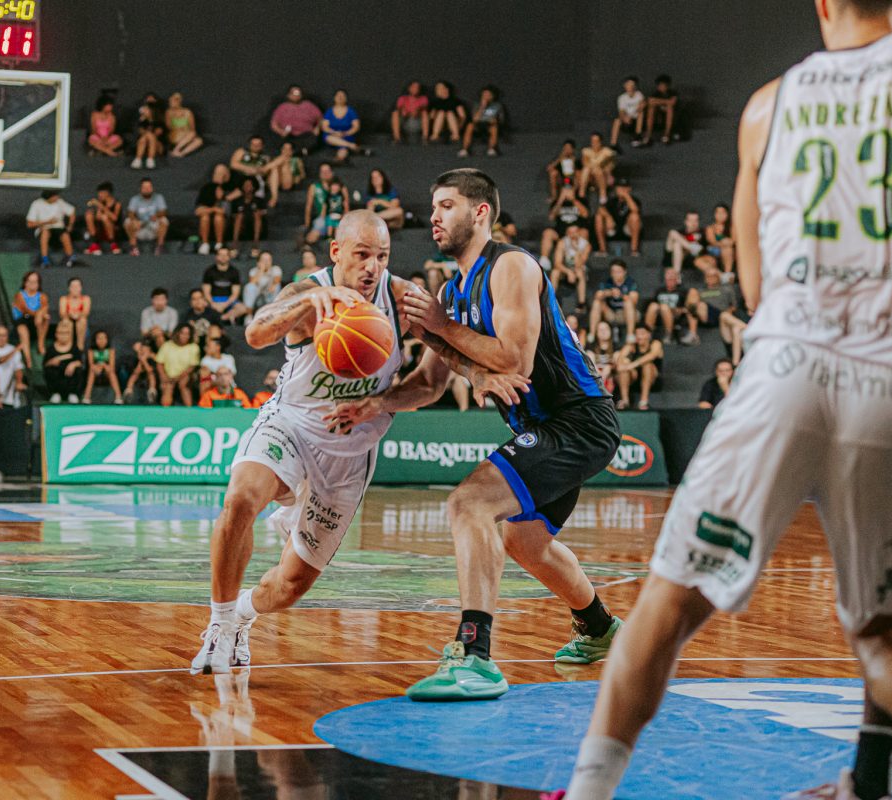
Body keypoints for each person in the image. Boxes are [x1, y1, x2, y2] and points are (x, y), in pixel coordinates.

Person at [566, 5, 892, 799]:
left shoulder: (767, 107)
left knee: (668, 605)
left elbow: (756, 283)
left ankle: (591, 789)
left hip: (787, 367)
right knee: (891, 629)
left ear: (822, 4)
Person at [331, 170, 623, 700]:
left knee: (469, 503)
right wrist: (374, 403)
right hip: (543, 426)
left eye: (446, 205)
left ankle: (475, 657)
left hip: (578, 419)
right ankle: (601, 629)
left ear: (480, 212)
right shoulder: (451, 292)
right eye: (433, 207)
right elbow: (428, 385)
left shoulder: (511, 266)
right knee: (524, 542)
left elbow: (515, 361)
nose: (434, 217)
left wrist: (440, 326)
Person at [190, 209, 415, 676]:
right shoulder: (306, 291)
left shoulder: (400, 299)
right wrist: (313, 299)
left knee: (290, 587)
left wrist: (385, 400)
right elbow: (255, 332)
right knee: (241, 498)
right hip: (290, 424)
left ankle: (243, 615)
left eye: (381, 256)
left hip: (349, 452)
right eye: (362, 255)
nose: (372, 267)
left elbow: (436, 374)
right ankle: (220, 623)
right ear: (336, 252)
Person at [229, 136, 290, 210]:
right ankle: (226, 199)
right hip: (240, 176)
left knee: (274, 168)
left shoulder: (266, 157)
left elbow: (265, 171)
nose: (255, 146)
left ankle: (274, 197)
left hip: (258, 178)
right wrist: (249, 169)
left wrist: (260, 170)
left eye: (258, 144)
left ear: (262, 146)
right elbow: (233, 164)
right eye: (253, 144)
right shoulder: (242, 151)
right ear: (249, 144)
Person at [588, 259, 640, 344]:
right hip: (611, 313)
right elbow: (597, 295)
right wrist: (608, 293)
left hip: (626, 314)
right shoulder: (607, 282)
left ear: (624, 272)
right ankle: (592, 334)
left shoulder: (630, 282)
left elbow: (634, 300)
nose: (616, 274)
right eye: (613, 272)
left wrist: (621, 295)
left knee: (628, 302)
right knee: (597, 302)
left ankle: (630, 334)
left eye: (618, 271)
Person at [644, 267, 700, 345]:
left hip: (675, 314)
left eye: (671, 279)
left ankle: (669, 334)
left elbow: (688, 308)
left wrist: (680, 310)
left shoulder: (682, 291)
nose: (669, 281)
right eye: (667, 279)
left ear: (677, 279)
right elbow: (654, 303)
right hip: (660, 314)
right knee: (653, 306)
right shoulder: (659, 290)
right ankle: (647, 333)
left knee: (664, 307)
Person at [612, 325, 663, 410]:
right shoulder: (630, 346)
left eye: (642, 334)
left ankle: (644, 401)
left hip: (652, 379)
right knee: (624, 370)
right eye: (637, 334)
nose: (639, 336)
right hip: (633, 379)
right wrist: (626, 364)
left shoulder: (655, 344)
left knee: (647, 365)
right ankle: (625, 401)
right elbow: (619, 365)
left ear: (649, 335)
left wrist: (632, 365)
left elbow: (652, 355)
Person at [541, 186, 590, 270]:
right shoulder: (557, 202)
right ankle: (544, 260)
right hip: (560, 232)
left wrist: (573, 200)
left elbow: (585, 214)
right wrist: (560, 200)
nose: (567, 192)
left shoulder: (581, 200)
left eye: (569, 190)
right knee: (547, 232)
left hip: (576, 232)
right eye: (565, 190)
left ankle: (581, 262)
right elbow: (551, 217)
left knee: (584, 232)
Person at [195, 164, 239, 255]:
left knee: (218, 217)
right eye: (216, 173)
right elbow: (198, 211)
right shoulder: (207, 189)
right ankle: (205, 244)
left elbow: (224, 211)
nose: (218, 176)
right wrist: (213, 209)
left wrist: (223, 199)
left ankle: (219, 244)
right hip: (208, 219)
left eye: (221, 174)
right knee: (205, 217)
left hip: (227, 222)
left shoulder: (231, 189)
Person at [25, 190, 75, 268]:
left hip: (59, 229)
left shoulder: (60, 202)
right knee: (45, 233)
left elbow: (72, 212)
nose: (57, 198)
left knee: (65, 234)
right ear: (49, 198)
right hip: (44, 228)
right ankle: (45, 260)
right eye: (55, 197)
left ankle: (71, 259)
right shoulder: (37, 204)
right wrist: (47, 222)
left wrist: (70, 225)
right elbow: (29, 224)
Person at [155, 324, 200, 407]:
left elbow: (192, 367)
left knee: (184, 384)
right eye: (182, 333)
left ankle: (189, 411)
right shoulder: (167, 345)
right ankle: (165, 411)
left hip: (185, 375)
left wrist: (178, 377)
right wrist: (163, 376)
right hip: (168, 376)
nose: (185, 336)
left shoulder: (194, 347)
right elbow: (159, 363)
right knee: (167, 386)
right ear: (177, 333)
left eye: (187, 334)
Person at [594, 179, 643, 256]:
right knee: (598, 217)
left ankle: (634, 250)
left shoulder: (635, 200)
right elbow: (600, 209)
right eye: (619, 187)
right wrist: (608, 217)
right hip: (613, 228)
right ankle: (603, 250)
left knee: (635, 216)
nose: (621, 190)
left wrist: (626, 196)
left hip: (627, 230)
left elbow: (635, 210)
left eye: (624, 187)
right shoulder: (612, 200)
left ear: (629, 189)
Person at [11, 271, 49, 369]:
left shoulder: (42, 296)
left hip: (36, 322)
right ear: (25, 282)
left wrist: (41, 314)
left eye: (35, 282)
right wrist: (39, 313)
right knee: (23, 331)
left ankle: (40, 344)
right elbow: (25, 310)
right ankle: (28, 360)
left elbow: (45, 309)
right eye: (30, 281)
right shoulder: (19, 295)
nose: (32, 284)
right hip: (22, 320)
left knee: (46, 318)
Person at [270, 85, 323, 156]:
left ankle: (300, 152)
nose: (296, 96)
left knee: (312, 141)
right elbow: (274, 123)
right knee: (285, 144)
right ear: (288, 95)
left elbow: (321, 119)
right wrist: (281, 131)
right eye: (293, 93)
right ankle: (296, 152)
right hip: (289, 136)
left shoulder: (309, 105)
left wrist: (317, 128)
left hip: (307, 135)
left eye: (298, 93)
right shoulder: (282, 107)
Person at [124, 178, 169, 256]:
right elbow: (130, 213)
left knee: (164, 220)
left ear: (152, 188)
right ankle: (133, 247)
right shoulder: (135, 199)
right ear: (140, 189)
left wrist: (157, 215)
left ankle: (160, 247)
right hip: (140, 227)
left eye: (149, 187)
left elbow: (164, 211)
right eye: (144, 187)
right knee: (127, 221)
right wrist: (135, 220)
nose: (147, 189)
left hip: (153, 226)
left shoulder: (158, 197)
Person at [43, 320, 84, 404]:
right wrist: (52, 362)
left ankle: (73, 394)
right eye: (61, 333)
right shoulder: (51, 348)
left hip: (70, 378)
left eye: (66, 333)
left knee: (78, 370)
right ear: (56, 334)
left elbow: (80, 362)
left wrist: (73, 364)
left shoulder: (74, 347)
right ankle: (55, 393)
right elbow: (45, 364)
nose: (63, 336)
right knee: (50, 370)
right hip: (57, 377)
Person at [551, 223, 590, 310]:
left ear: (579, 232)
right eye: (570, 232)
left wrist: (576, 250)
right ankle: (550, 301)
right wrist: (568, 272)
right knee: (555, 272)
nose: (573, 235)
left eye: (575, 232)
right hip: (565, 269)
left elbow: (579, 264)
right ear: (567, 233)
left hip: (579, 269)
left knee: (580, 272)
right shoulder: (562, 243)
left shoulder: (586, 245)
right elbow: (557, 263)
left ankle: (582, 303)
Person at [0, 324, 26, 409]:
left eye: (4, 335)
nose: (1, 338)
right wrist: (15, 350)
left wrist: (19, 382)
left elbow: (18, 369)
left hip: (8, 397)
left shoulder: (13, 350)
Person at [458, 85, 504, 157]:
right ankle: (464, 149)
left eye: (488, 95)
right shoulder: (477, 105)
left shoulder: (497, 106)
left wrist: (496, 120)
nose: (486, 97)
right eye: (484, 95)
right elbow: (474, 119)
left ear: (492, 96)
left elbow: (501, 120)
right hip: (478, 125)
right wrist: (482, 107)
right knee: (470, 126)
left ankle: (491, 149)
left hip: (490, 125)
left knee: (494, 128)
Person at [202, 249, 245, 324]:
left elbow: (235, 294)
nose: (223, 257)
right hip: (213, 299)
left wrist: (224, 305)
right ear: (216, 256)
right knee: (200, 304)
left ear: (229, 257)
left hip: (228, 300)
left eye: (225, 255)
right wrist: (213, 303)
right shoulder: (209, 271)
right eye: (221, 255)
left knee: (242, 308)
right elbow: (206, 292)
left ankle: (221, 318)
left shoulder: (234, 272)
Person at [322, 89, 365, 163]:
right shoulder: (329, 111)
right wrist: (334, 132)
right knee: (328, 137)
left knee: (343, 149)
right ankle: (351, 145)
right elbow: (324, 127)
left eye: (342, 96)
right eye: (338, 96)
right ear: (334, 98)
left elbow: (356, 127)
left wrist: (345, 133)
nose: (340, 97)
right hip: (332, 136)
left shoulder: (351, 111)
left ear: (346, 98)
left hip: (347, 135)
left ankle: (339, 159)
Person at [637, 73, 678, 147]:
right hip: (658, 115)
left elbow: (672, 102)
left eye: (663, 85)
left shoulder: (673, 93)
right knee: (651, 108)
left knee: (669, 108)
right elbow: (650, 101)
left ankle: (667, 134)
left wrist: (657, 101)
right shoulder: (655, 93)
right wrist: (664, 102)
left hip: (673, 115)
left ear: (667, 85)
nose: (661, 87)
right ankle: (648, 134)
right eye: (659, 85)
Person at [230, 178, 267, 258]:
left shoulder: (259, 200)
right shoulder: (237, 201)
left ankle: (256, 243)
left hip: (256, 227)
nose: (248, 187)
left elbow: (264, 213)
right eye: (246, 185)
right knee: (239, 216)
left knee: (257, 214)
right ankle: (235, 243)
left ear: (254, 187)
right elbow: (233, 215)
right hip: (241, 228)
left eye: (250, 185)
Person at [83, 330, 123, 404]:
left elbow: (112, 366)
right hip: (95, 370)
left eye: (104, 338)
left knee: (111, 372)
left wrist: (103, 365)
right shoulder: (91, 351)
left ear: (107, 340)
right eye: (99, 338)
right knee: (92, 371)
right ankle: (87, 396)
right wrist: (98, 367)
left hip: (107, 371)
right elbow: (91, 364)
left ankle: (118, 396)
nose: (101, 341)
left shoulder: (111, 351)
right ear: (95, 340)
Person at [84, 182, 122, 256]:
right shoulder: (100, 203)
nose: (99, 195)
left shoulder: (117, 204)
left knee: (105, 217)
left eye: (101, 193)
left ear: (107, 193)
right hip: (100, 229)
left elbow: (115, 218)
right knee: (89, 215)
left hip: (113, 229)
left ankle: (113, 243)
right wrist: (94, 212)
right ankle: (94, 243)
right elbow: (98, 217)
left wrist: (101, 207)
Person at [578, 132, 616, 205]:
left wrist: (596, 167)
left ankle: (603, 193)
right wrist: (594, 167)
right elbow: (585, 163)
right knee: (586, 169)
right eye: (592, 141)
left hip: (603, 177)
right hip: (590, 177)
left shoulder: (607, 151)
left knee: (597, 170)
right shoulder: (586, 151)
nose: (594, 143)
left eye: (596, 141)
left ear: (600, 142)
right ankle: (581, 193)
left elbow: (607, 166)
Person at [164, 92, 203, 158]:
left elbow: (192, 128)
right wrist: (179, 128)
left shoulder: (188, 112)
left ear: (179, 101)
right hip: (174, 135)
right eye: (170, 101)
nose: (170, 103)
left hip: (186, 136)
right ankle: (176, 149)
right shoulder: (168, 112)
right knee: (192, 134)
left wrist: (186, 129)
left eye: (173, 101)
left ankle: (181, 153)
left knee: (199, 140)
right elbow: (168, 126)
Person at [131, 93, 165, 169]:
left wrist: (147, 133)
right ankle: (139, 159)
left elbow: (157, 134)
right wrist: (140, 121)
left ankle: (149, 159)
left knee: (149, 135)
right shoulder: (142, 121)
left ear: (152, 111)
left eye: (146, 109)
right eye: (144, 109)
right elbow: (138, 132)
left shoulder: (159, 122)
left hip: (157, 146)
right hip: (142, 145)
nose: (144, 111)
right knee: (144, 138)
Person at [58, 276, 92, 351]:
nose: (75, 288)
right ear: (69, 288)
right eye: (73, 286)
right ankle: (68, 347)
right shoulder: (64, 299)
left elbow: (86, 312)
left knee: (82, 320)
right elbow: (62, 314)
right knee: (66, 321)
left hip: (82, 325)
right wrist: (70, 315)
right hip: (67, 323)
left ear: (81, 288)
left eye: (77, 286)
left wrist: (78, 315)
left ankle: (80, 347)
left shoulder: (86, 298)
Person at [610, 76, 645, 148]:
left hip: (637, 120)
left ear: (635, 86)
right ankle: (613, 144)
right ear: (625, 86)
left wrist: (631, 116)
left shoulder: (639, 95)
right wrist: (625, 118)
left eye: (632, 85)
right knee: (617, 121)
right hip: (627, 122)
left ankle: (637, 136)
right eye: (628, 84)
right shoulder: (621, 98)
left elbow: (641, 107)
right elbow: (621, 112)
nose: (630, 86)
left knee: (641, 113)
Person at [705, 202, 736, 275]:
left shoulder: (732, 227)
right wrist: (723, 243)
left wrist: (728, 242)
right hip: (715, 249)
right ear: (714, 214)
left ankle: (727, 273)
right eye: (718, 213)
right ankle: (727, 273)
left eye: (723, 213)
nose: (720, 215)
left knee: (728, 249)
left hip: (730, 249)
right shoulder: (710, 228)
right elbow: (712, 241)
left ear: (727, 214)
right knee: (727, 249)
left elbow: (734, 240)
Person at [123, 340, 158, 404]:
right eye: (142, 350)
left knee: (151, 374)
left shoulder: (151, 360)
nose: (144, 352)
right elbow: (136, 371)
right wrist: (140, 361)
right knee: (134, 375)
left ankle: (152, 392)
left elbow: (149, 370)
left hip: (148, 377)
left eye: (146, 351)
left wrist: (144, 361)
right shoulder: (135, 359)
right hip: (137, 377)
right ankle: (128, 391)